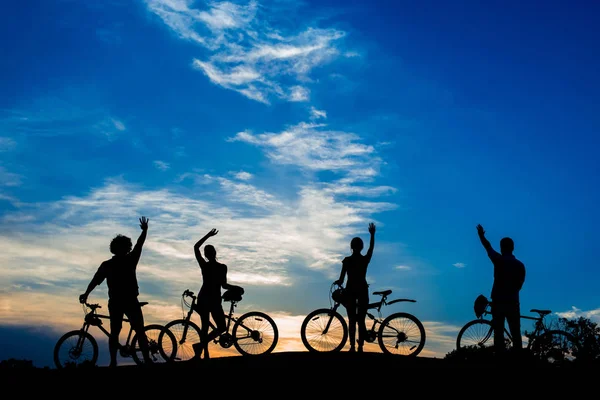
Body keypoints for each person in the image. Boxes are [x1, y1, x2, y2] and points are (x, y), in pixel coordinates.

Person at [79, 216, 153, 367]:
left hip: (122, 301)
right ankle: (143, 360)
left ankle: (116, 362)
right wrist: (145, 231)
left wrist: (86, 294)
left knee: (119, 332)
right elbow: (139, 244)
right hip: (125, 300)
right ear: (126, 247)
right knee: (134, 331)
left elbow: (95, 280)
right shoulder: (126, 260)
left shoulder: (110, 264)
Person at [476, 224, 526, 358]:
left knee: (498, 333)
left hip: (498, 302)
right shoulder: (520, 265)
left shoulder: (498, 260)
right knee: (516, 334)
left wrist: (481, 235)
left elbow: (487, 247)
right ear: (513, 248)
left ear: (502, 248)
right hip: (513, 302)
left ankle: (500, 361)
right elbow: (519, 285)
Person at [192, 228, 241, 360]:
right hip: (213, 299)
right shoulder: (222, 267)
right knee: (221, 327)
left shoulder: (205, 266)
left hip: (204, 298)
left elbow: (196, 247)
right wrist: (236, 287)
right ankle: (201, 351)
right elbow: (224, 285)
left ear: (206, 255)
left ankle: (201, 351)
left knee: (205, 327)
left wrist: (208, 235)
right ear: (214, 253)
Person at [334, 222, 376, 353]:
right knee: (361, 321)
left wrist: (337, 282)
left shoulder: (346, 261)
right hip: (363, 291)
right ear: (361, 247)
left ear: (351, 247)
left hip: (350, 292)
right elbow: (371, 249)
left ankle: (352, 346)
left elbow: (341, 279)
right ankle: (360, 347)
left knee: (352, 320)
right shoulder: (364, 260)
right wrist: (372, 235)